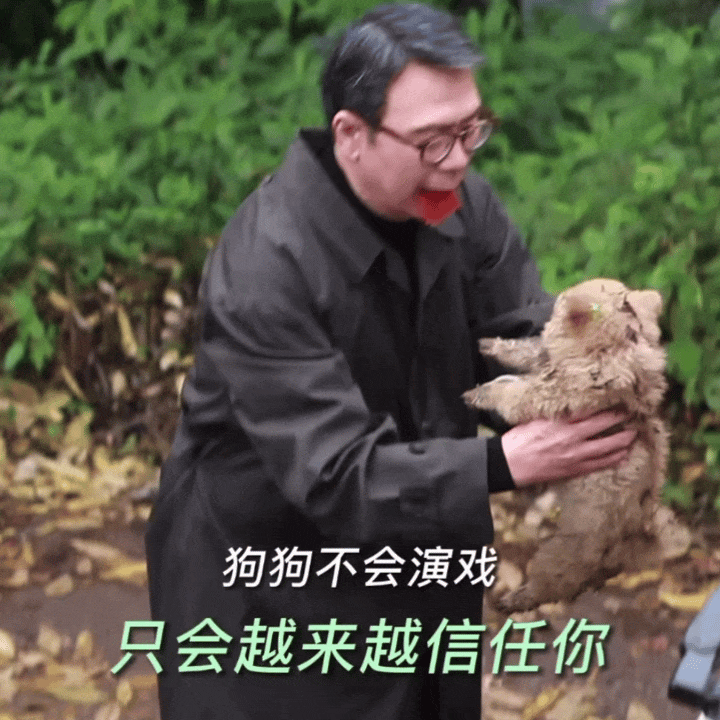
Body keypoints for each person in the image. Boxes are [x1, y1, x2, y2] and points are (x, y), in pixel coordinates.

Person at [145, 3, 637, 719]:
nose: (459, 159)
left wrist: (599, 368)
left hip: (420, 562)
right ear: (351, 134)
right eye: (433, 140)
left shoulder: (458, 203)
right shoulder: (266, 265)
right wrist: (504, 463)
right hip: (270, 585)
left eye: (471, 129)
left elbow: (516, 334)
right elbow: (335, 472)